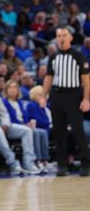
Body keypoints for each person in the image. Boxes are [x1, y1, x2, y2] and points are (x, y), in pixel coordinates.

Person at [42, 27, 90, 176]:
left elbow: (86, 79)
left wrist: (86, 98)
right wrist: (43, 96)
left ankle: (86, 164)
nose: (61, 38)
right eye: (59, 36)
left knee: (78, 131)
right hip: (57, 96)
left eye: (64, 35)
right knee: (59, 132)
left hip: (74, 96)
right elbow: (49, 78)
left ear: (70, 38)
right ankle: (62, 165)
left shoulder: (78, 56)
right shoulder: (53, 57)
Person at [3, 81, 50, 172]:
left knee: (40, 131)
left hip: (22, 126)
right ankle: (28, 162)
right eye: (10, 87)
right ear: (6, 90)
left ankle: (43, 160)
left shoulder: (20, 102)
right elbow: (8, 119)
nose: (13, 90)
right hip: (10, 127)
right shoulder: (4, 102)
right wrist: (24, 125)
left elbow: (24, 118)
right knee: (28, 131)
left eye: (15, 87)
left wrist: (28, 123)